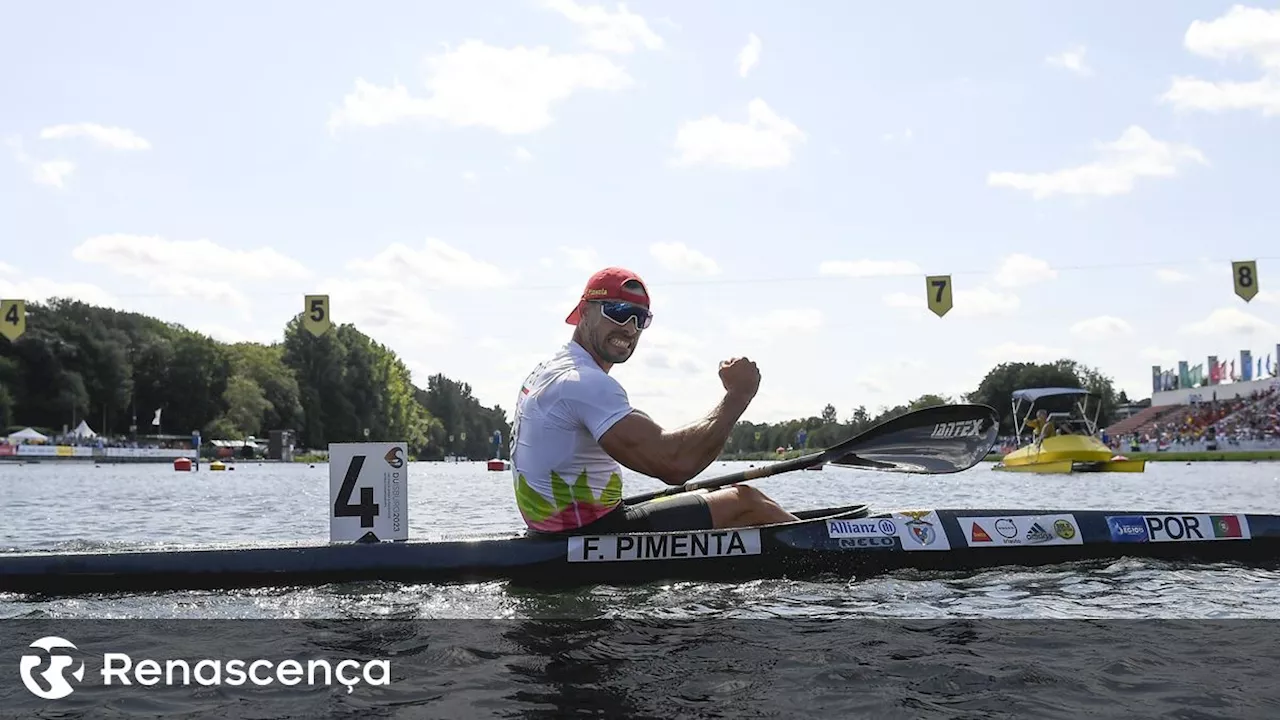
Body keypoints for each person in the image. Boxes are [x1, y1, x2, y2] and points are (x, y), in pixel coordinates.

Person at [510, 266, 799, 535]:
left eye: (641, 317)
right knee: (746, 501)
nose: (630, 327)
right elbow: (675, 464)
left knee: (719, 496)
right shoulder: (585, 382)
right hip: (592, 533)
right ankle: (834, 547)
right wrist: (738, 395)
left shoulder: (548, 370)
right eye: (618, 311)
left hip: (558, 531)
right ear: (585, 312)